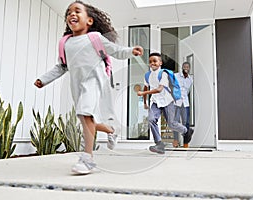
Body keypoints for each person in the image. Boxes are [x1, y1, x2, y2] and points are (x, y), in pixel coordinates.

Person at [34, 1, 143, 175]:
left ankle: (87, 158)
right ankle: (111, 130)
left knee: (85, 114)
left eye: (77, 11)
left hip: (96, 81)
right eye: (69, 12)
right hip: (77, 86)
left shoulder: (96, 38)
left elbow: (116, 51)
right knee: (86, 120)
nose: (71, 14)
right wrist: (44, 79)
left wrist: (131, 51)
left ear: (89, 21)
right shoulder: (65, 43)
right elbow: (62, 66)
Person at [137, 52, 191, 154]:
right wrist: (145, 102)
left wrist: (144, 92)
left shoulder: (163, 73)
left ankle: (186, 131)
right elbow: (145, 88)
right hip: (155, 102)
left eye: (155, 61)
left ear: (160, 62)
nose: (152, 63)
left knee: (171, 124)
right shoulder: (147, 75)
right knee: (151, 119)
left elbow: (159, 89)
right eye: (150, 62)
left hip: (167, 101)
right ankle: (159, 144)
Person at [173, 62, 194, 148]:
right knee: (175, 123)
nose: (186, 68)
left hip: (185, 103)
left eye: (187, 67)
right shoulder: (176, 75)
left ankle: (186, 143)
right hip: (176, 103)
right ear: (182, 67)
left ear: (189, 68)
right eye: (184, 66)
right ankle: (176, 141)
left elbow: (188, 91)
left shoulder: (190, 79)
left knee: (186, 123)